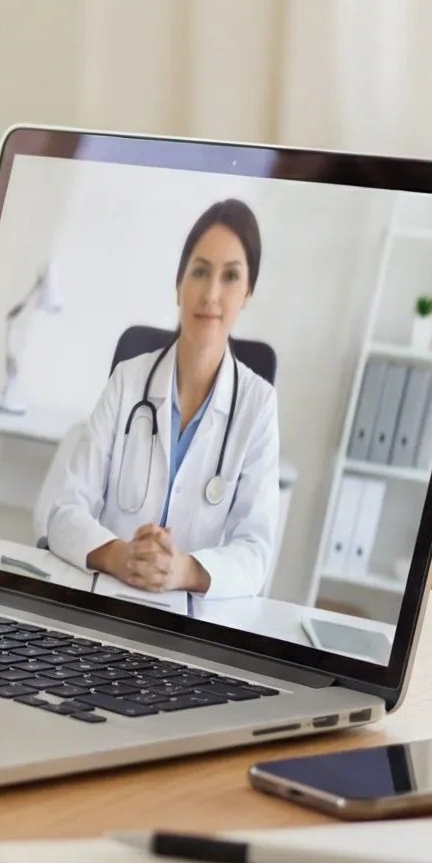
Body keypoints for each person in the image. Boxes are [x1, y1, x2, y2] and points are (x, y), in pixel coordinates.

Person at [44, 200, 281, 601]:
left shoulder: (258, 405)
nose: (211, 293)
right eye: (200, 271)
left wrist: (182, 570)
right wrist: (121, 556)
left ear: (248, 294)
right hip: (104, 600)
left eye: (231, 277)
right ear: (178, 284)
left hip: (187, 622)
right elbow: (65, 511)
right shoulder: (127, 381)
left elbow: (256, 554)